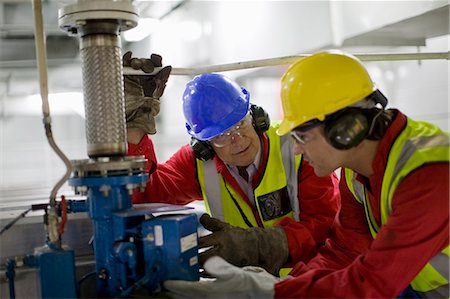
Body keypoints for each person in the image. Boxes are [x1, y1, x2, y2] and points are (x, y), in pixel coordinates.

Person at [164, 50, 449, 298]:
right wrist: (285, 283)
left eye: (301, 136)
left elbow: (370, 282)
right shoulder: (356, 173)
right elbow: (343, 252)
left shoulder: (429, 175)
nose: (296, 150)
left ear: (345, 129)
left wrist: (272, 294)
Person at [123, 52, 340, 276]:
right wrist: (134, 128)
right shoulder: (197, 162)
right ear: (204, 144)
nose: (238, 139)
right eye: (222, 136)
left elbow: (326, 227)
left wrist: (259, 245)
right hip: (245, 289)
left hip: (310, 285)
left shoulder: (297, 147)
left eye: (240, 124)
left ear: (255, 116)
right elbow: (141, 197)